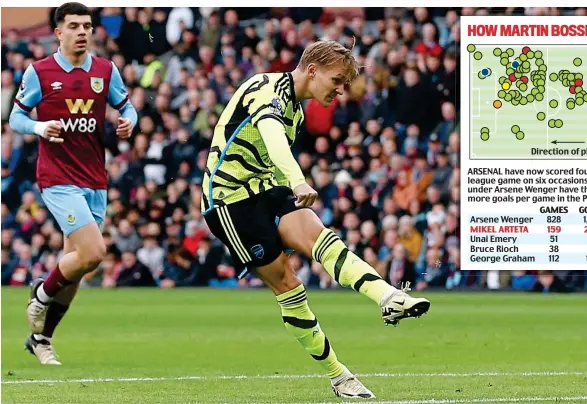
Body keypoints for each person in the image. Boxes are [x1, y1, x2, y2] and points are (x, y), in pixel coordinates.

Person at [201, 39, 431, 399]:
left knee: (320, 235)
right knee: (289, 285)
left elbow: (273, 150)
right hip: (229, 200)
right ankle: (339, 376)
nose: (340, 91)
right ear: (312, 70)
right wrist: (297, 179)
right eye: (337, 80)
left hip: (265, 189)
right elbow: (272, 138)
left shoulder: (296, 110)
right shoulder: (265, 89)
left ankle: (387, 295)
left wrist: (288, 185)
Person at [9, 2, 137, 365]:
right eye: (74, 26)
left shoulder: (105, 70)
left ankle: (41, 339)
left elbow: (127, 107)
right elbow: (16, 116)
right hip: (58, 178)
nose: (83, 32)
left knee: (78, 265)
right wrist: (37, 127)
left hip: (95, 177)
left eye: (87, 25)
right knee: (94, 253)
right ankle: (41, 294)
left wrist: (130, 121)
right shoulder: (40, 72)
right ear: (58, 32)